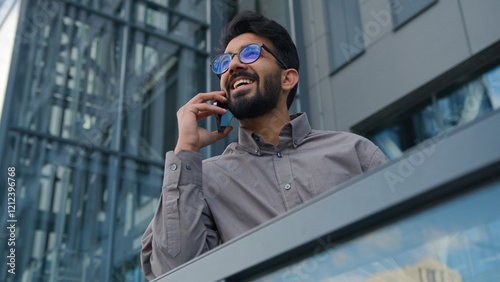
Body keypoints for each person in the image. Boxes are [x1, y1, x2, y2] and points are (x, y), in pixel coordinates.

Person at [141, 11, 387, 280]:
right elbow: (175, 272)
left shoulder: (354, 152)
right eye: (225, 61)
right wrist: (186, 148)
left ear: (287, 78)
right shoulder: (203, 181)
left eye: (249, 54)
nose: (232, 66)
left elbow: (407, 235)